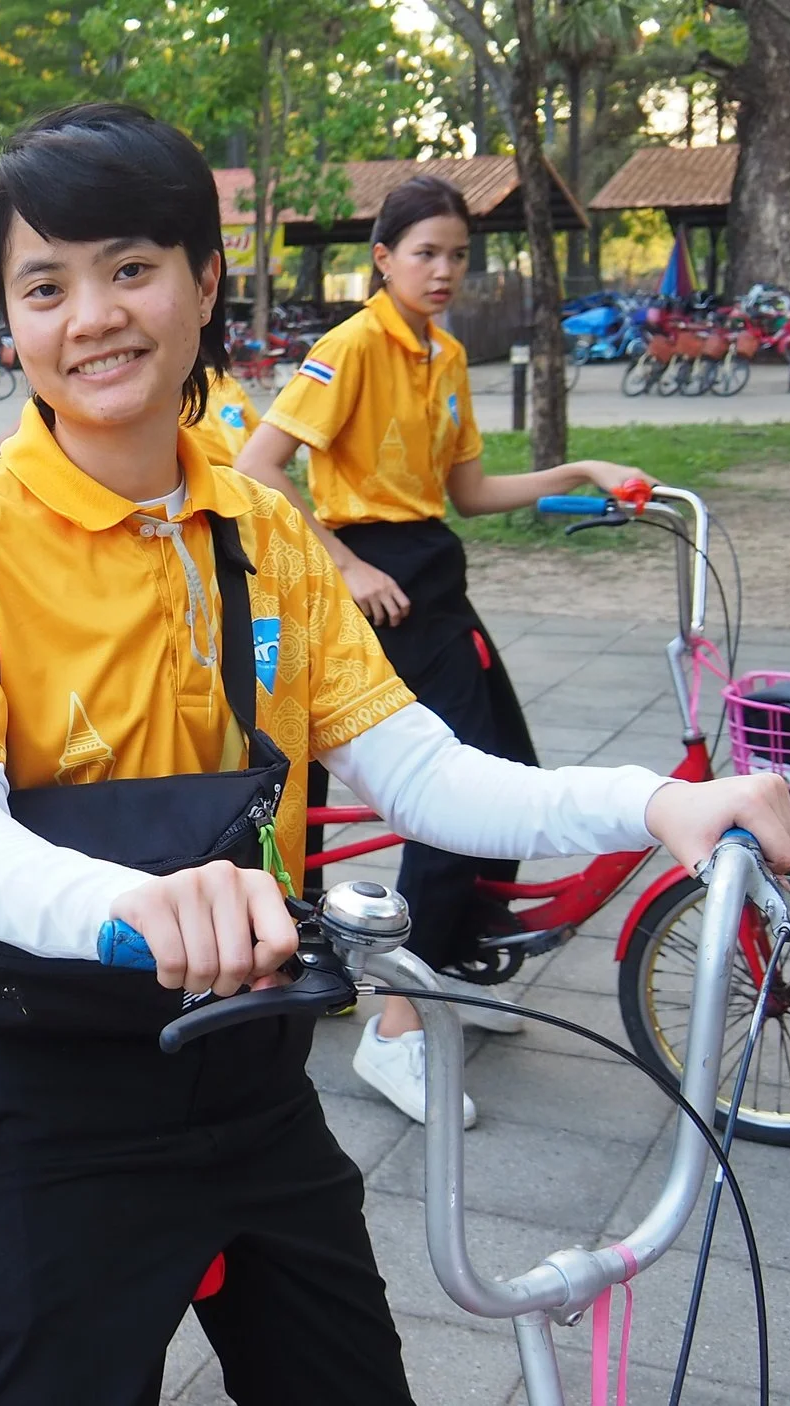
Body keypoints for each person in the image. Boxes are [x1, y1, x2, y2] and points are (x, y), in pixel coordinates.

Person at [0, 103, 790, 1405]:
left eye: (130, 268)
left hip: (245, 1069)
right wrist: (130, 904)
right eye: (45, 286)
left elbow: (418, 770)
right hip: (26, 1094)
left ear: (203, 281)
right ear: (9, 320)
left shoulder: (266, 532)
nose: (92, 316)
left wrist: (657, 801)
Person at [238, 174, 658, 1123]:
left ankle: (448, 970)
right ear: (381, 260)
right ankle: (395, 1026)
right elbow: (257, 465)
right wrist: (342, 564)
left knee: (508, 766)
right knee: (448, 788)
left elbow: (468, 493)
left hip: (432, 567)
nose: (443, 270)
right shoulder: (348, 347)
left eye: (457, 255)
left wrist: (585, 469)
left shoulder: (447, 353)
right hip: (378, 580)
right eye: (424, 252)